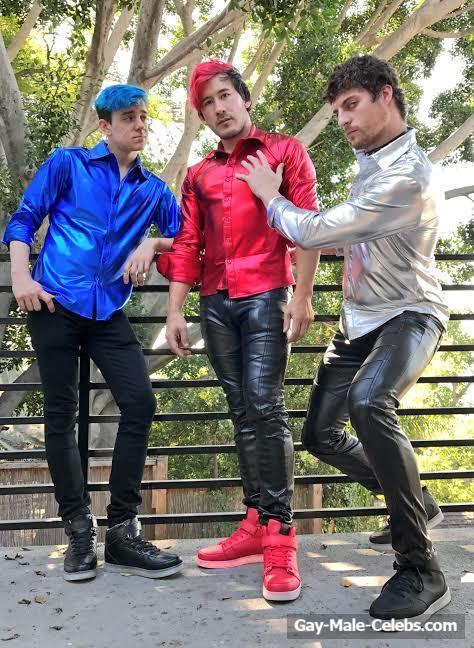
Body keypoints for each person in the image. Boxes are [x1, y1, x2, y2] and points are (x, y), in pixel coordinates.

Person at [235, 55, 451, 621]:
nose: (344, 121)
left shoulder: (407, 177)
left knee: (369, 401)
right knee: (320, 434)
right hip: (358, 320)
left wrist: (269, 194)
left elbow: (313, 229)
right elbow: (345, 236)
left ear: (386, 95)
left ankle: (421, 569)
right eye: (337, 112)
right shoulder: (372, 164)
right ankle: (417, 503)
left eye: (351, 106)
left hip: (411, 313)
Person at [3, 84, 184, 582]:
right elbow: (24, 219)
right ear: (105, 126)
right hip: (53, 304)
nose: (141, 125)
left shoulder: (153, 190)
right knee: (61, 413)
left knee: (139, 403)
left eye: (144, 116)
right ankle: (79, 530)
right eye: (129, 118)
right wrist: (21, 277)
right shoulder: (69, 164)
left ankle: (122, 532)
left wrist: (152, 243)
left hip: (108, 313)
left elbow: (190, 238)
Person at [157, 59, 320, 602]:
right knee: (242, 411)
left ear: (245, 98)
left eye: (225, 95)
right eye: (207, 103)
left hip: (268, 293)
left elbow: (309, 225)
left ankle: (280, 535)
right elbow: (188, 244)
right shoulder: (198, 174)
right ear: (202, 116)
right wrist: (175, 312)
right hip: (215, 301)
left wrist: (302, 296)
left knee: (265, 406)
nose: (219, 108)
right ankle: (255, 522)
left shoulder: (284, 151)